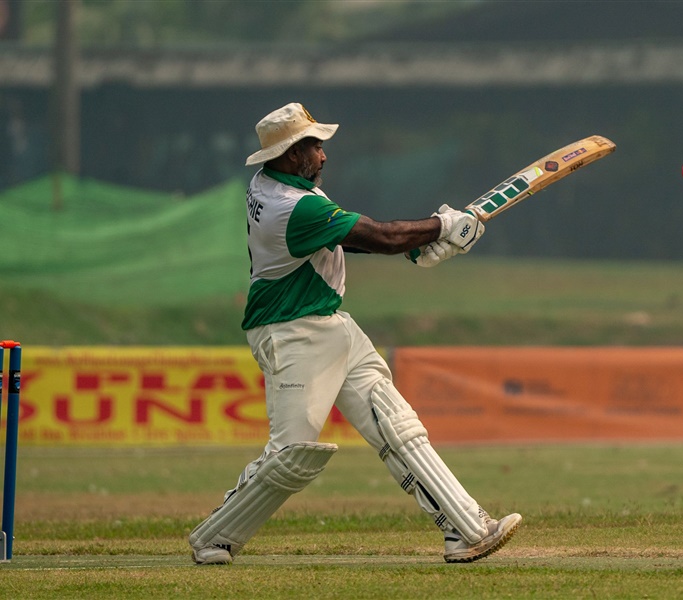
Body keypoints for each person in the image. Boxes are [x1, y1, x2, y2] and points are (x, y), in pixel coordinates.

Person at [189, 102, 521, 565]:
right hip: (292, 332)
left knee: (398, 426)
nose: (323, 155)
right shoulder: (292, 206)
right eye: (314, 146)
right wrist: (442, 227)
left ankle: (467, 529)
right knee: (292, 455)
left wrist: (419, 243)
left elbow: (349, 238)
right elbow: (378, 236)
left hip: (329, 323)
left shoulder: (276, 184)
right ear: (291, 153)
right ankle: (214, 536)